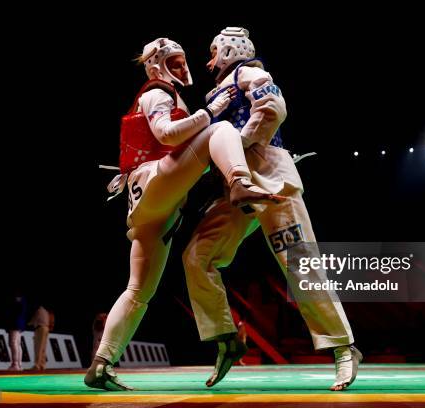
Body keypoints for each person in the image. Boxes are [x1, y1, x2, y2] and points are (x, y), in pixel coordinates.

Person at [84, 37, 281, 391]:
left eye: (181, 61)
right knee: (218, 129)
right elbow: (167, 133)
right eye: (174, 62)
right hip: (155, 187)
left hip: (156, 209)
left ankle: (101, 364)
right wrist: (211, 113)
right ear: (158, 65)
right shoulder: (157, 91)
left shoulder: (166, 95)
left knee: (138, 291)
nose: (182, 68)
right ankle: (239, 182)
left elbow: (179, 153)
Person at [182, 27, 361, 391]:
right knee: (197, 257)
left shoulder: (248, 72)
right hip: (236, 188)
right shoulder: (213, 94)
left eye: (213, 52)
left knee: (299, 263)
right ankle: (226, 339)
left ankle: (343, 347)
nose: (209, 60)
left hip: (271, 179)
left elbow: (273, 108)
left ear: (231, 49)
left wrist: (239, 142)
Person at [28, 305, 50, 371]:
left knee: (38, 347)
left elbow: (34, 320)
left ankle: (37, 365)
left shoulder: (38, 311)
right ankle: (42, 365)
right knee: (43, 348)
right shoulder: (46, 311)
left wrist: (28, 323)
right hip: (46, 328)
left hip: (40, 328)